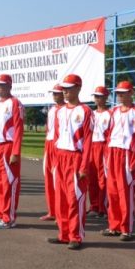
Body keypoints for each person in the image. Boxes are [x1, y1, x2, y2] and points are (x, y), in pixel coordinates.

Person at [48, 74, 93, 250]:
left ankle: (76, 236)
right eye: (64, 89)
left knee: (75, 198)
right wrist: (54, 161)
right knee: (61, 199)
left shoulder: (85, 111)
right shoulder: (60, 111)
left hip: (76, 157)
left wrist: (84, 166)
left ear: (78, 88)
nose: (65, 92)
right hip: (60, 157)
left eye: (69, 88)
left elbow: (88, 141)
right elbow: (57, 137)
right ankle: (64, 233)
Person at [102, 81, 135, 241]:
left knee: (125, 192)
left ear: (131, 93)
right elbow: (108, 134)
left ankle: (126, 229)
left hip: (127, 153)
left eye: (123, 93)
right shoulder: (113, 112)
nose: (120, 95)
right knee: (111, 192)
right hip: (112, 151)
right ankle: (114, 226)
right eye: (118, 93)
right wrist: (106, 155)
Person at [0, 74, 24, 229]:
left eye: (2, 85)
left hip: (7, 147)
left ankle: (9, 218)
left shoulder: (15, 103)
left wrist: (15, 151)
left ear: (10, 86)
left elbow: (18, 128)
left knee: (8, 183)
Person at [41, 84, 65, 221]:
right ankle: (52, 211)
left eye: (57, 93)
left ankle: (61, 211)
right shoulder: (51, 110)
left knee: (58, 180)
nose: (55, 96)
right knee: (49, 178)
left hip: (58, 146)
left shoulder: (65, 110)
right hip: (49, 145)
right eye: (53, 93)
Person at [87, 86, 111, 217]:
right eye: (95, 96)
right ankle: (94, 206)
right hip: (91, 146)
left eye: (99, 96)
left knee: (103, 178)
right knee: (92, 178)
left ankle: (103, 207)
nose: (97, 99)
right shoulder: (91, 113)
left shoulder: (110, 114)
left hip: (103, 147)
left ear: (106, 97)